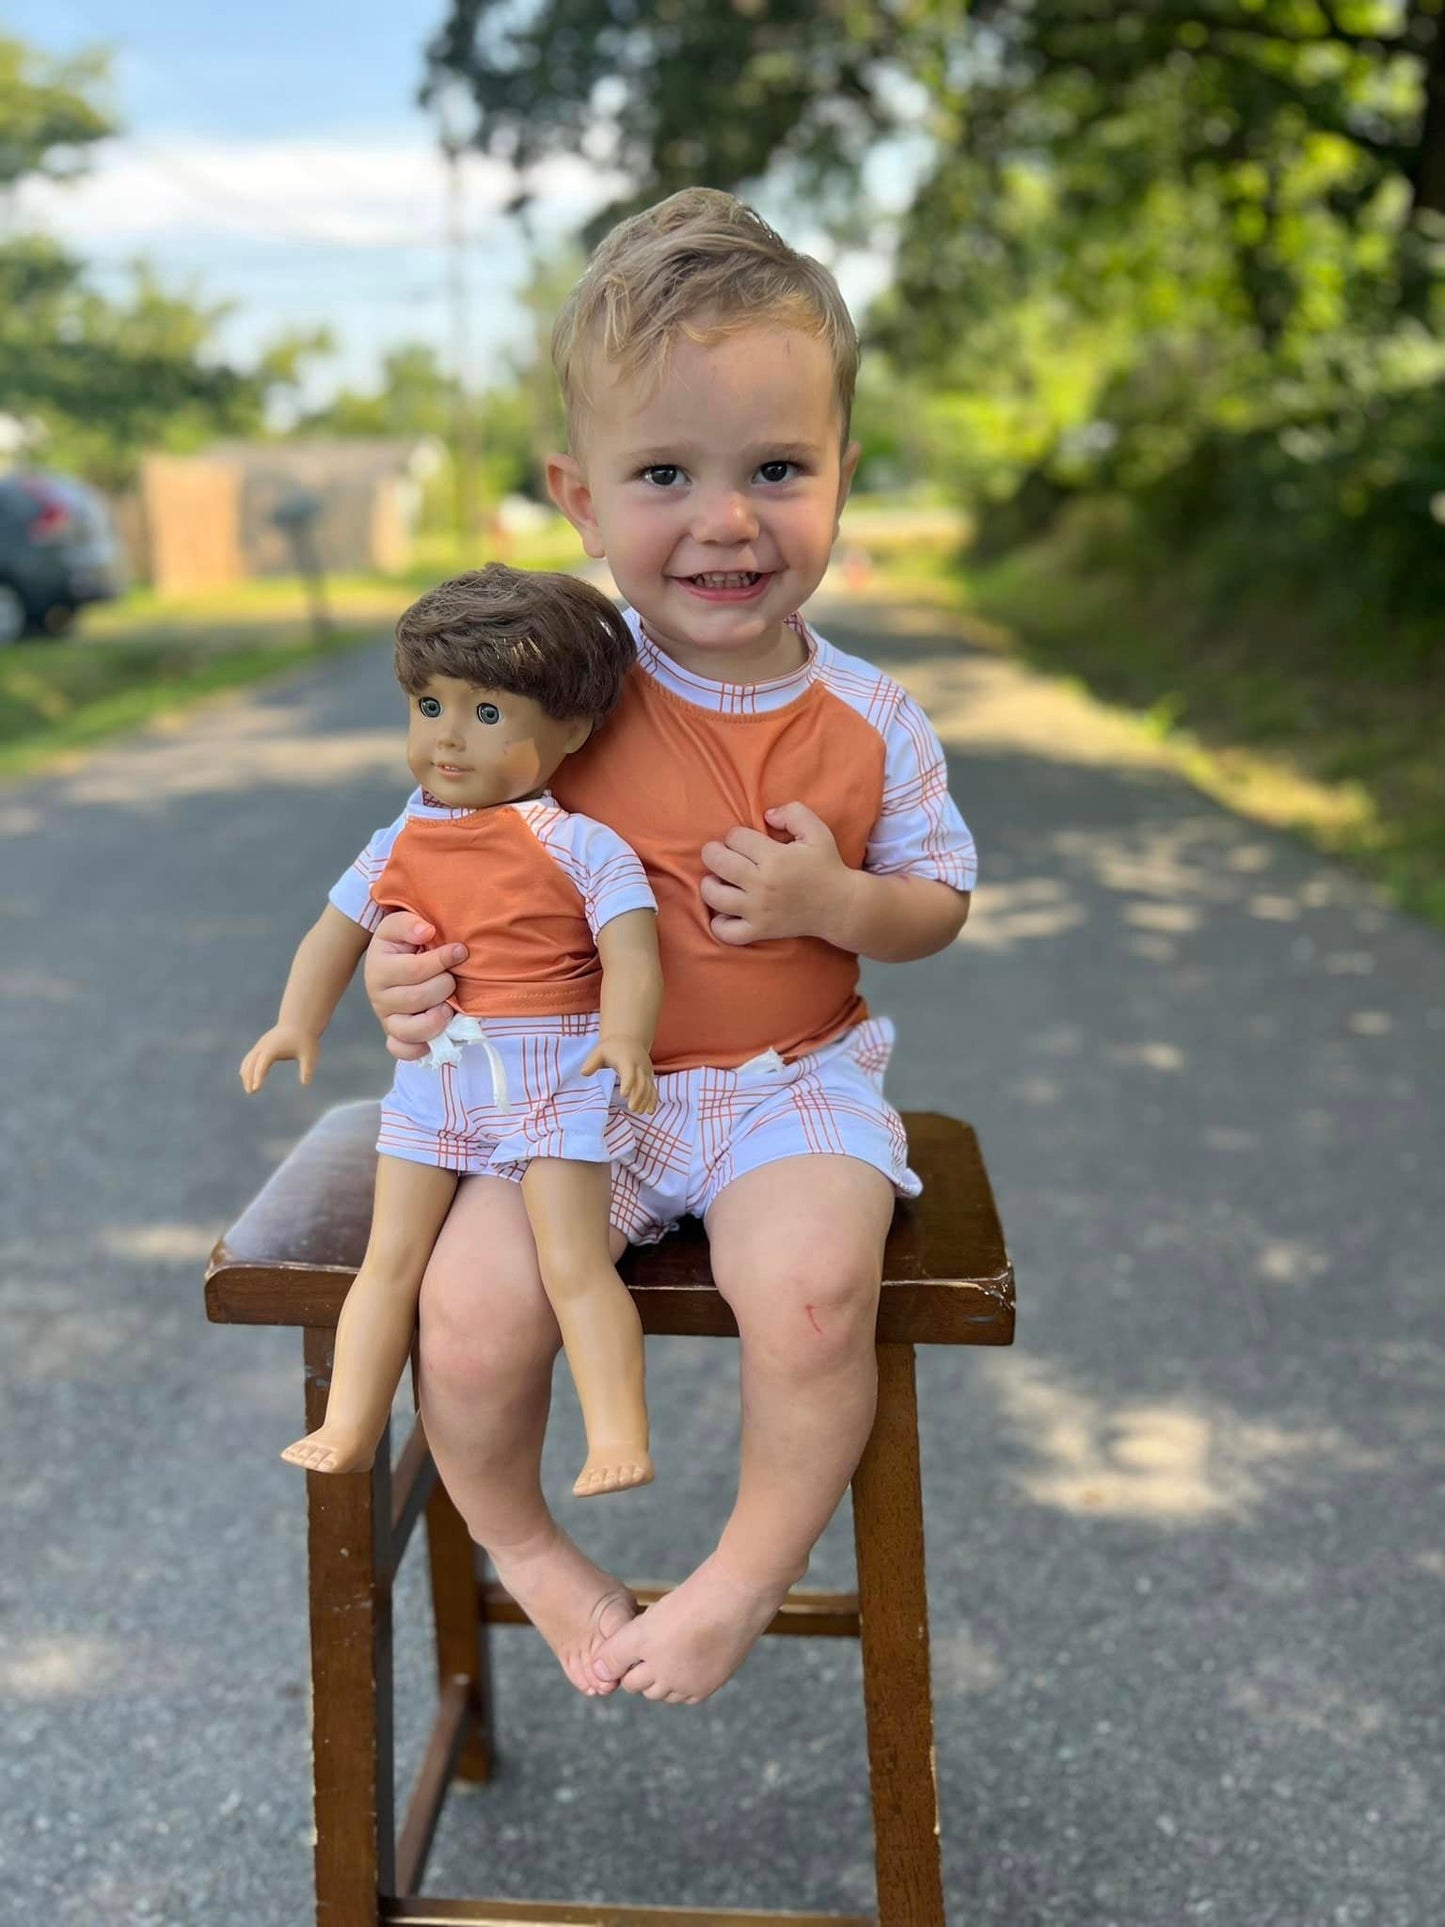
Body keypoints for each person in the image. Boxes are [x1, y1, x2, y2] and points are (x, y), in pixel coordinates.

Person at [366, 188, 978, 1705]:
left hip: (789, 1080)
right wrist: (402, 967)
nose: (725, 519)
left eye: (777, 467)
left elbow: (937, 907)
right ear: (579, 494)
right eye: (665, 473)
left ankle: (737, 1578)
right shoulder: (554, 691)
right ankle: (528, 1544)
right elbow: (430, 871)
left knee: (820, 1285)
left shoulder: (872, 720)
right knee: (471, 1301)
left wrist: (838, 903)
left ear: (842, 474)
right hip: (575, 1086)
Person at [240, 566, 663, 1500]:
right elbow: (335, 932)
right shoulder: (398, 838)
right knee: (388, 1259)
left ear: (571, 732)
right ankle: (349, 1421)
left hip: (553, 1076)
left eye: (484, 713)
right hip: (438, 1082)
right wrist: (294, 1021)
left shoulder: (580, 844)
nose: (445, 735)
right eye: (429, 704)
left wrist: (626, 1037)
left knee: (571, 1262)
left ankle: (616, 1428)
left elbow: (632, 952)